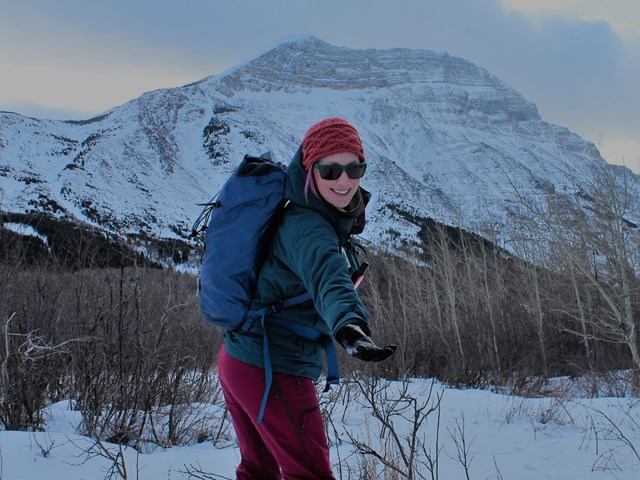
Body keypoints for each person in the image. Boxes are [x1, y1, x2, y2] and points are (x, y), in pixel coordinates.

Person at [217, 117, 396, 480]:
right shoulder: (309, 227)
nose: (344, 180)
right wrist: (350, 325)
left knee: (258, 469)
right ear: (309, 169)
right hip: (273, 370)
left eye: (354, 168)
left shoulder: (306, 212)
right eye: (330, 170)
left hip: (239, 360)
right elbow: (328, 278)